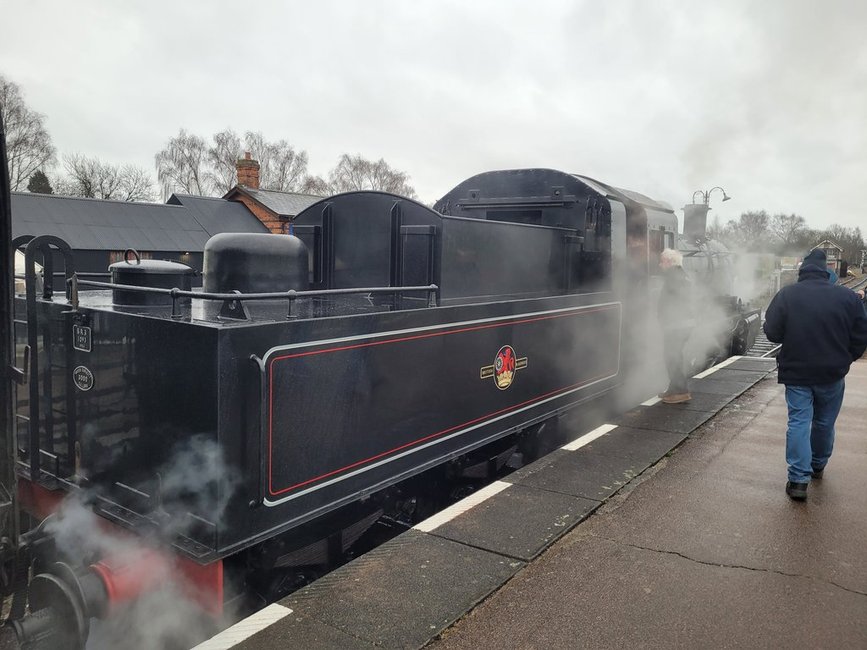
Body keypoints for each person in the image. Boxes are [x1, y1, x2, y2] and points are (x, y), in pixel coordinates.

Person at [763, 248, 867, 501]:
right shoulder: (847, 298)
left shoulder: (787, 295)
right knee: (824, 422)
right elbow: (861, 336)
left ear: (803, 270)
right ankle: (818, 465)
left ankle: (798, 481)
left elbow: (773, 333)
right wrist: (845, 358)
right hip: (832, 373)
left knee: (798, 421)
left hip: (797, 373)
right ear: (827, 270)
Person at [657, 248, 694, 404]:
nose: (660, 264)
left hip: (676, 325)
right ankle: (673, 388)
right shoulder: (681, 275)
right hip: (681, 324)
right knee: (673, 355)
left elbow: (673, 302)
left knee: (672, 356)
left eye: (662, 261)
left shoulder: (673, 277)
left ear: (670, 262)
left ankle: (681, 391)